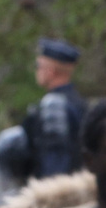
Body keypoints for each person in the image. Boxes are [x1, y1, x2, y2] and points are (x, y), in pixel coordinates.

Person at [25, 38, 91, 181]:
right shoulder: (77, 101)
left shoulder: (54, 105)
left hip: (59, 188)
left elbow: (55, 163)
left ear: (51, 71)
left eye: (38, 65)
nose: (37, 70)